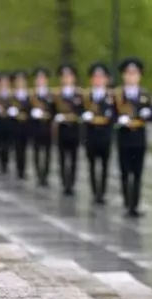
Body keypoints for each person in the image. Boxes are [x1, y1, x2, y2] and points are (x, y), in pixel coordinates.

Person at [112, 57, 152, 217]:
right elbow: (112, 115)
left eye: (134, 73)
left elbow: (151, 112)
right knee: (124, 171)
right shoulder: (117, 94)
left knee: (137, 172)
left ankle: (135, 204)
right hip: (124, 136)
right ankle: (126, 202)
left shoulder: (144, 94)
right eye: (128, 73)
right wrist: (118, 120)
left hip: (139, 136)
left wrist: (147, 114)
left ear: (139, 76)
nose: (131, 76)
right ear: (124, 76)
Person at [82, 62, 115, 205]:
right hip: (91, 133)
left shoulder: (112, 96)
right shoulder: (86, 96)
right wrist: (84, 115)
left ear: (106, 79)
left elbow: (116, 113)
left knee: (105, 164)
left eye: (101, 77)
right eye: (96, 77)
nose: (98, 80)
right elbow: (78, 109)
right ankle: (95, 191)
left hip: (105, 134)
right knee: (92, 164)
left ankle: (102, 192)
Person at [52, 64, 84, 196]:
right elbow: (52, 110)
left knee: (74, 158)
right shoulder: (57, 95)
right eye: (64, 76)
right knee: (62, 157)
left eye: (69, 76)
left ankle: (71, 183)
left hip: (74, 128)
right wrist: (56, 117)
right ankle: (64, 182)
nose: (67, 79)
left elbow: (82, 110)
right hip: (62, 129)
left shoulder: (79, 94)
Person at [29, 67, 55, 187]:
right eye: (38, 78)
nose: (40, 80)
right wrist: (32, 113)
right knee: (36, 152)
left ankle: (45, 175)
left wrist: (47, 115)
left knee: (47, 153)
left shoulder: (51, 94)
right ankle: (38, 174)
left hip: (47, 127)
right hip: (35, 127)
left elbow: (54, 110)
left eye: (42, 78)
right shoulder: (32, 95)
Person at [9, 70, 32, 180]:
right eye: (18, 81)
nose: (20, 83)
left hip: (26, 125)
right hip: (15, 125)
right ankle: (19, 169)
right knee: (17, 148)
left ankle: (23, 169)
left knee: (24, 148)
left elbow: (31, 109)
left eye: (22, 81)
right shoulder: (12, 96)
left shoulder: (29, 96)